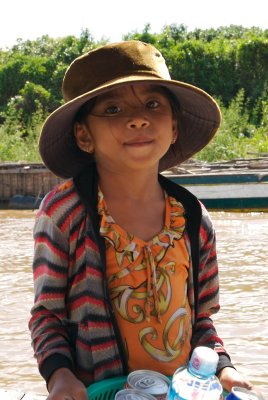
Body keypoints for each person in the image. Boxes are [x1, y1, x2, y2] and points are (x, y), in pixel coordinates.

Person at [29, 40, 261, 400]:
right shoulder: (64, 213)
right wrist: (58, 375)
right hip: (101, 391)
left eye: (153, 105)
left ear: (174, 128)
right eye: (113, 108)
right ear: (84, 135)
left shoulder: (194, 217)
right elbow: (47, 316)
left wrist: (224, 367)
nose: (138, 119)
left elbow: (202, 322)